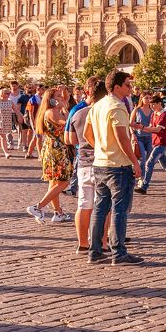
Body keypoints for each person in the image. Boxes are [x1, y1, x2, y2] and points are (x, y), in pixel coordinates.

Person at [84, 70, 143, 265]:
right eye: (127, 84)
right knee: (119, 210)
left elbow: (86, 134)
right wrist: (134, 161)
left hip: (100, 164)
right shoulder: (117, 106)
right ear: (116, 87)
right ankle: (119, 253)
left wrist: (101, 148)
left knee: (100, 209)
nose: (130, 88)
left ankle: (94, 251)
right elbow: (122, 137)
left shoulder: (98, 105)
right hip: (118, 166)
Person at [65, 78, 110, 252]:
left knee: (83, 205)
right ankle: (103, 243)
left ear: (89, 93)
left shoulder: (78, 113)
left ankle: (82, 244)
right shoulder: (106, 112)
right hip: (102, 163)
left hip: (83, 163)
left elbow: (70, 140)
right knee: (104, 207)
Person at [25, 87, 75, 224]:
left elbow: (66, 98)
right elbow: (67, 124)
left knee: (54, 183)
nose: (60, 99)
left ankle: (58, 213)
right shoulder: (52, 112)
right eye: (57, 97)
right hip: (56, 150)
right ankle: (38, 207)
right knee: (64, 181)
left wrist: (64, 93)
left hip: (54, 148)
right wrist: (65, 109)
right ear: (51, 100)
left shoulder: (50, 111)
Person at [134, 95, 166, 194]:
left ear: (159, 104)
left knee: (149, 163)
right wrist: (140, 126)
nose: (152, 107)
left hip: (162, 143)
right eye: (151, 105)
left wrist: (142, 127)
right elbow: (151, 127)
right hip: (155, 142)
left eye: (153, 105)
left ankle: (144, 187)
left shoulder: (165, 115)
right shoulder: (154, 114)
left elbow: (157, 129)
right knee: (165, 164)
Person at [0, 87, 20, 159]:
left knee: (1, 137)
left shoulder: (10, 102)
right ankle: (6, 153)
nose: (8, 94)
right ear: (2, 94)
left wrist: (20, 116)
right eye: (6, 93)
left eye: (9, 93)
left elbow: (16, 110)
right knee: (3, 137)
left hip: (7, 122)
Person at [131, 95, 153, 177]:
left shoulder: (153, 111)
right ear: (142, 99)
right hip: (139, 137)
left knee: (149, 159)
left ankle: (146, 176)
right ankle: (142, 178)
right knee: (142, 158)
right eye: (146, 98)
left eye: (150, 98)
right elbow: (130, 123)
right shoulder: (137, 110)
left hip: (150, 138)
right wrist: (133, 134)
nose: (148, 99)